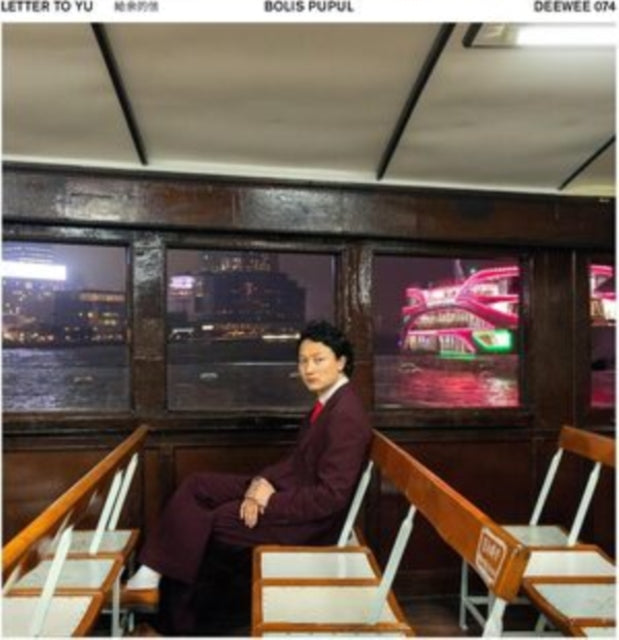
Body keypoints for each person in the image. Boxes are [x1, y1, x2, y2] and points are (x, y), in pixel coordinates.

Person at [126, 320, 372, 635]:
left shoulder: (346, 415)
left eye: (318, 359)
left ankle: (176, 627)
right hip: (290, 492)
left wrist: (270, 501)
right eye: (303, 361)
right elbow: (296, 462)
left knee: (214, 523)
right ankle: (149, 574)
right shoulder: (329, 403)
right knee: (197, 486)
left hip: (312, 523)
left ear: (341, 362)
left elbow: (331, 498)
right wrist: (261, 482)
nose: (309, 369)